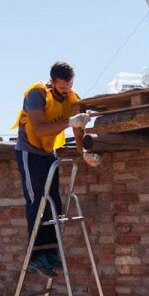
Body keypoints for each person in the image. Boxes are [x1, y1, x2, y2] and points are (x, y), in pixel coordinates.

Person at [13, 61, 89, 277]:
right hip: (30, 152)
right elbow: (40, 129)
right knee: (36, 201)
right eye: (62, 87)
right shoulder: (36, 93)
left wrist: (84, 152)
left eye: (69, 86)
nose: (66, 91)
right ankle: (36, 257)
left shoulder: (72, 97)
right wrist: (69, 122)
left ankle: (50, 253)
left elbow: (77, 127)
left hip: (48, 153)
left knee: (54, 203)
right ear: (53, 82)